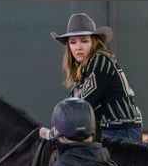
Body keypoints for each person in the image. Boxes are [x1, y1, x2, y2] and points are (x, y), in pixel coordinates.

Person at [51, 13, 143, 142]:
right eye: (73, 42)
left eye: (84, 41)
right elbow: (72, 103)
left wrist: (52, 133)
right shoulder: (84, 69)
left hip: (120, 131)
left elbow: (81, 106)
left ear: (94, 42)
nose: (78, 47)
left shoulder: (100, 59)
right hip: (110, 131)